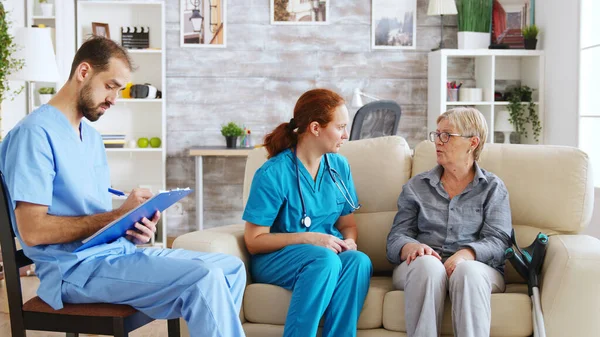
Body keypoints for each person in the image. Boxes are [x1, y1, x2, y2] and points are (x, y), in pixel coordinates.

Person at [0, 37, 246, 337]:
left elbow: (93, 215)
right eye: (110, 86)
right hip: (72, 271)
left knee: (231, 267)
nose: (114, 99)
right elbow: (33, 231)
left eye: (118, 90)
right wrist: (116, 217)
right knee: (204, 278)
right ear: (84, 72)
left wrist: (131, 224)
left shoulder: (90, 137)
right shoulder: (33, 135)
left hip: (115, 255)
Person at [243, 89, 373, 337]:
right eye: (340, 127)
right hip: (278, 258)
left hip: (327, 254)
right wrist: (311, 238)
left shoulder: (338, 166)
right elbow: (254, 241)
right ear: (315, 128)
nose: (346, 135)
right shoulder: (273, 173)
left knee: (359, 261)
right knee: (324, 259)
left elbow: (348, 224)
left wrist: (350, 242)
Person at [386, 107, 512, 337]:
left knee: (467, 272)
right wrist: (411, 247)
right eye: (437, 134)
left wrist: (466, 254)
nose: (438, 142)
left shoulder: (493, 188)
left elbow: (500, 242)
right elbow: (395, 238)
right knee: (427, 266)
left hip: (477, 267)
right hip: (422, 266)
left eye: (447, 135)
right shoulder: (416, 187)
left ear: (472, 143)